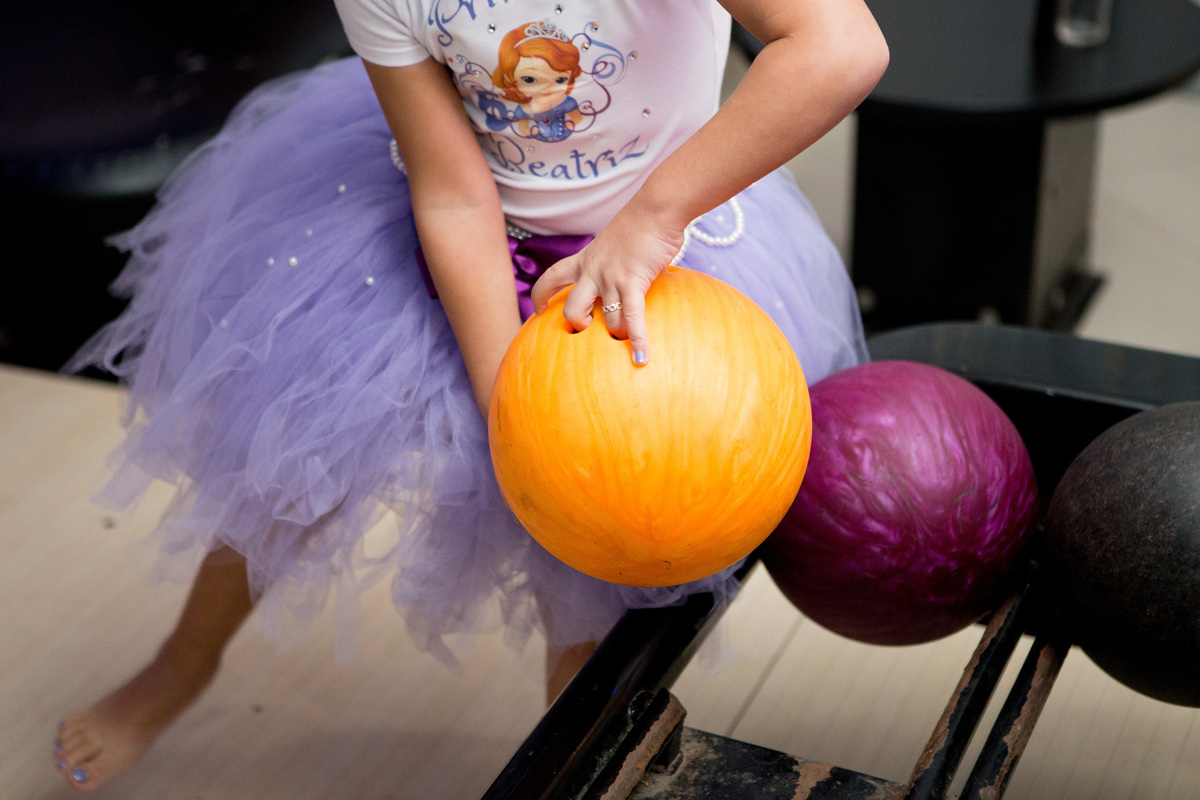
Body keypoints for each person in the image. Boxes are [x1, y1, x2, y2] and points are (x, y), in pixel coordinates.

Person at [53, 0, 888, 791]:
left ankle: (575, 770)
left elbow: (842, 47)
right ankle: (183, 662)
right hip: (471, 244)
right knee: (289, 466)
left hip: (669, 246)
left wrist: (651, 219)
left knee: (598, 569)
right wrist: (508, 399)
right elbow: (452, 196)